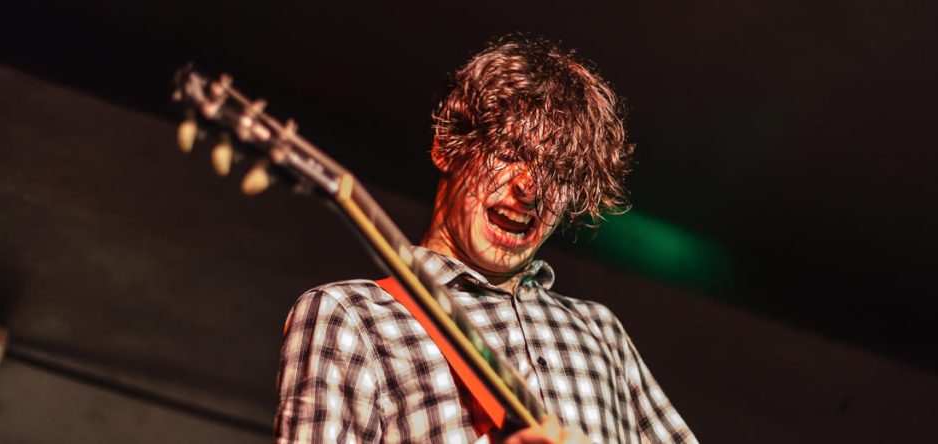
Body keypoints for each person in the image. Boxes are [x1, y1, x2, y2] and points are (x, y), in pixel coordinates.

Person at [275, 35, 696, 444]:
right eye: (511, 152)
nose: (530, 188)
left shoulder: (600, 330)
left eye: (557, 171)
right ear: (447, 147)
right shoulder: (350, 316)